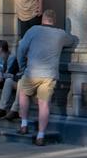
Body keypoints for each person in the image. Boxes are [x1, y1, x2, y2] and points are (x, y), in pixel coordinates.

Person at [13, 9, 76, 146]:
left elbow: (21, 48)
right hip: (49, 75)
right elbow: (72, 41)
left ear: (43, 19)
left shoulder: (33, 30)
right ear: (54, 20)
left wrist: (22, 66)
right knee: (44, 104)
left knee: (23, 94)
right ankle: (40, 136)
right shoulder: (60, 34)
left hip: (32, 72)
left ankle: (24, 124)